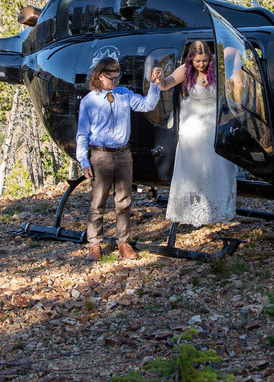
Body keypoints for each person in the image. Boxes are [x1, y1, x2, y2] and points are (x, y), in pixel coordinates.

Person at [75, 56, 163, 260]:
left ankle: (123, 242)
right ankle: (95, 244)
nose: (116, 82)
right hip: (101, 155)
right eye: (112, 78)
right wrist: (84, 160)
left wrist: (155, 85)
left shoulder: (124, 94)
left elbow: (147, 105)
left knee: (123, 201)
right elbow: (82, 133)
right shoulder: (90, 101)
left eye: (118, 78)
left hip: (123, 154)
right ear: (100, 77)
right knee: (98, 202)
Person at [159, 41, 237, 226]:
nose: (201, 65)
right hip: (192, 123)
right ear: (191, 59)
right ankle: (189, 208)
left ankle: (215, 207)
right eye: (197, 61)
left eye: (204, 61)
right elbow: (165, 85)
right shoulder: (185, 70)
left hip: (212, 121)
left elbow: (233, 49)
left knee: (216, 164)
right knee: (192, 166)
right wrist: (158, 77)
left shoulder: (216, 67)